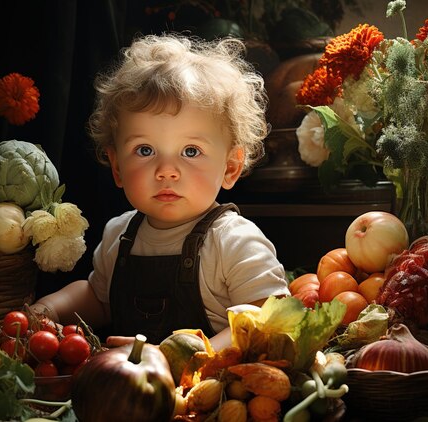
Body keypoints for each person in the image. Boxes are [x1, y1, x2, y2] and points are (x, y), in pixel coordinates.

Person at [31, 33, 289, 350]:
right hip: (132, 393)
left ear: (230, 167)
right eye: (145, 150)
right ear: (116, 167)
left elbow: (266, 317)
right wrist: (49, 310)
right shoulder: (119, 235)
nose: (166, 169)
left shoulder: (234, 241)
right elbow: (99, 300)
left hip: (210, 392)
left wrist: (187, 357)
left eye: (191, 151)